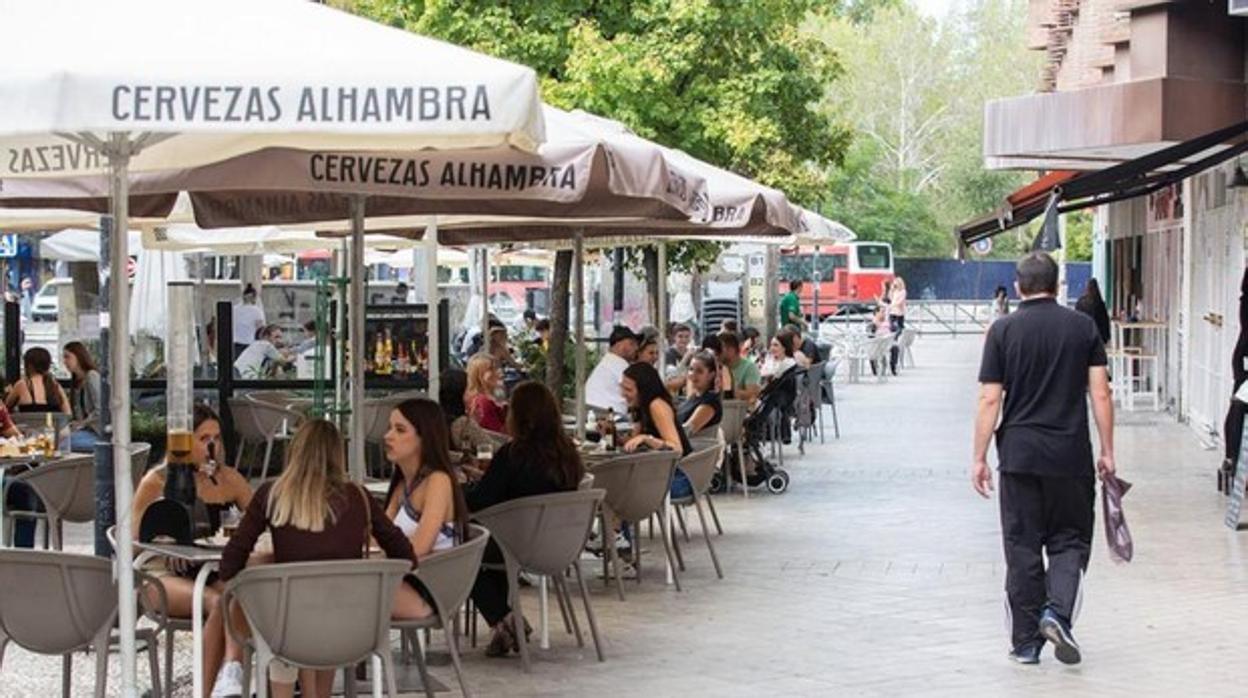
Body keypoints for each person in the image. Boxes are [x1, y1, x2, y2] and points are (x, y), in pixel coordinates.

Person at [972, 252, 1115, 667]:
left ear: (1018, 286)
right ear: (1057, 285)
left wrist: (979, 457)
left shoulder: (1003, 330)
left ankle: (1025, 643)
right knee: (1070, 540)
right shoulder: (1083, 327)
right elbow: (1101, 394)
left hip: (1018, 455)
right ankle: (1058, 612)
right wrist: (1107, 451)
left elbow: (990, 398)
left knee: (1023, 546)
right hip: (1071, 456)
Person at [219, 420, 425, 698]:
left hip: (287, 633)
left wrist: (271, 560)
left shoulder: (272, 494)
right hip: (350, 633)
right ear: (338, 454)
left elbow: (229, 564)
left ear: (296, 451)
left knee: (281, 615)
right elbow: (407, 557)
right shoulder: (359, 497)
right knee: (325, 607)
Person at [132, 404, 253, 697]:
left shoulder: (230, 479)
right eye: (203, 439)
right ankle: (228, 674)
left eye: (217, 438)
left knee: (243, 594)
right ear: (185, 443)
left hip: (214, 567)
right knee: (218, 600)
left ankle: (223, 680)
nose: (212, 445)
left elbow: (259, 523)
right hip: (162, 573)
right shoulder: (159, 481)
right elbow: (133, 538)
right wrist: (163, 541)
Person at [465, 381, 585, 657]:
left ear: (518, 417)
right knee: (492, 546)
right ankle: (503, 627)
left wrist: (459, 489)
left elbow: (481, 500)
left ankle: (505, 620)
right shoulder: (568, 454)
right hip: (561, 544)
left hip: (518, 545)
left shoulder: (513, 454)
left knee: (462, 552)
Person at [383, 398, 470, 559]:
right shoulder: (402, 485)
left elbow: (420, 546)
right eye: (389, 428)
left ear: (425, 438)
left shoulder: (438, 481)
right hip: (403, 574)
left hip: (431, 579)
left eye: (400, 430)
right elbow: (380, 536)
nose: (388, 436)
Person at [621, 363, 693, 499]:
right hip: (661, 474)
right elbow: (631, 444)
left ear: (643, 390)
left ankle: (619, 520)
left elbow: (677, 449)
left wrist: (647, 439)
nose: (623, 393)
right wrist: (609, 433)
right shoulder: (641, 407)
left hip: (680, 478)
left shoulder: (657, 406)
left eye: (628, 389)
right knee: (618, 487)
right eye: (622, 388)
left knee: (621, 492)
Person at [440, 368, 496, 463]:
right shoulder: (464, 423)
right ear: (459, 393)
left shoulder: (438, 417)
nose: (473, 393)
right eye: (469, 389)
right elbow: (491, 449)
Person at [584, 325, 639, 413]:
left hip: (593, 411)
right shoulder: (619, 364)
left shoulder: (608, 361)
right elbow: (638, 392)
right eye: (631, 343)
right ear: (618, 345)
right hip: (611, 415)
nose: (636, 348)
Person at [5, 347, 69, 414]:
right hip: (52, 424)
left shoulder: (22, 384)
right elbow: (68, 413)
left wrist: (9, 393)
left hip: (27, 423)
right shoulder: (55, 386)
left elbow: (6, 408)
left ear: (29, 365)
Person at [63, 341, 102, 452]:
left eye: (68, 357)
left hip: (98, 433)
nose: (65, 362)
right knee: (57, 439)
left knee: (63, 443)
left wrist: (82, 423)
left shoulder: (92, 377)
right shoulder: (77, 382)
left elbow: (100, 410)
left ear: (79, 357)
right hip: (86, 431)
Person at [678, 351, 723, 438]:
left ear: (711, 375)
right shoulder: (694, 397)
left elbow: (687, 430)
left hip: (694, 449)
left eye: (699, 371)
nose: (692, 374)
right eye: (691, 369)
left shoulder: (710, 402)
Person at [465, 354, 508, 432]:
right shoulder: (482, 401)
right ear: (478, 375)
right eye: (491, 369)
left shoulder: (477, 397)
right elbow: (495, 432)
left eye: (496, 368)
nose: (498, 372)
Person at [720, 332, 761, 403]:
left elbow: (752, 395)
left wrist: (730, 391)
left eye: (719, 350)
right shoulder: (718, 366)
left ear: (731, 349)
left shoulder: (749, 367)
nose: (716, 354)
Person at [232, 284, 266, 359]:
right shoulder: (257, 311)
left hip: (235, 343)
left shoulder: (234, 309)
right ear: (254, 297)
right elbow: (260, 330)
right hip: (249, 343)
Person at [1074, 278, 1111, 345]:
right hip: (1098, 337)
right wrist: (1106, 338)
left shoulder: (1080, 302)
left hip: (1083, 336)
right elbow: (1105, 322)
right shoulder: (1100, 304)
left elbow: (1076, 319)